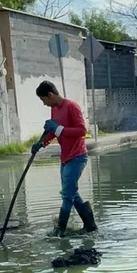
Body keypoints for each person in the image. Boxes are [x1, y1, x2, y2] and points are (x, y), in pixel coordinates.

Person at [32, 80, 97, 235]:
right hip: (65, 158)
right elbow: (54, 131)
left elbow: (82, 131)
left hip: (77, 156)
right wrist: (41, 143)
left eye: (43, 100)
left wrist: (58, 128)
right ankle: (91, 226)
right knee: (71, 193)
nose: (44, 104)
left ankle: (60, 231)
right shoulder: (54, 110)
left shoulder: (71, 106)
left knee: (67, 195)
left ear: (50, 95)